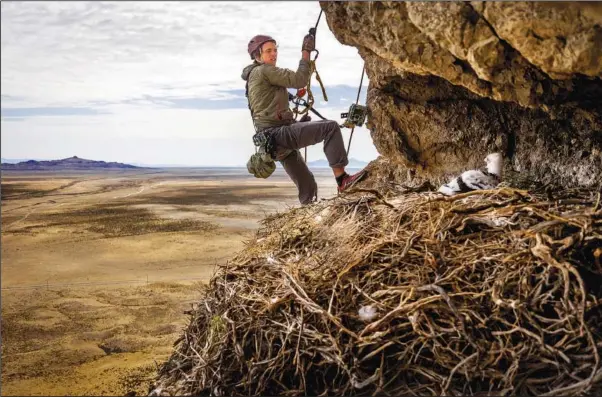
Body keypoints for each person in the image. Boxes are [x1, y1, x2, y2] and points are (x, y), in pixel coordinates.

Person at [241, 33, 368, 205]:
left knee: (307, 185)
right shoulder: (264, 70)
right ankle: (342, 180)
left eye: (275, 50)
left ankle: (308, 214)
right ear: (258, 55)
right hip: (278, 135)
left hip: (273, 144)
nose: (274, 54)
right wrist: (306, 53)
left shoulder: (253, 76)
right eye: (269, 51)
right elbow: (300, 79)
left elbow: (269, 107)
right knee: (330, 128)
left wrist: (295, 121)